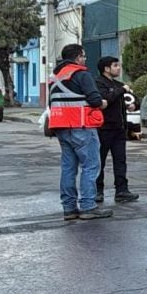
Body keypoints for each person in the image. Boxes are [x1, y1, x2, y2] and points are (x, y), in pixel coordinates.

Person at [47, 44, 110, 220]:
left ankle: (69, 208)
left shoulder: (54, 77)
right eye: (83, 56)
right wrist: (102, 103)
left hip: (60, 126)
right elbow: (95, 99)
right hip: (81, 126)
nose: (85, 60)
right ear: (76, 58)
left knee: (68, 168)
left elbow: (51, 103)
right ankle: (88, 206)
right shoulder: (81, 74)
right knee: (90, 166)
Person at [94, 56, 140, 204]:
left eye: (118, 65)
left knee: (120, 161)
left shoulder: (119, 85)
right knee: (99, 161)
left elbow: (132, 98)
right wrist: (121, 90)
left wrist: (134, 104)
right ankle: (97, 191)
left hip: (119, 129)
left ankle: (122, 190)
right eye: (115, 65)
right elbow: (106, 98)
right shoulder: (98, 83)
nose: (119, 68)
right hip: (103, 129)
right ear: (106, 69)